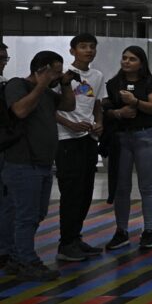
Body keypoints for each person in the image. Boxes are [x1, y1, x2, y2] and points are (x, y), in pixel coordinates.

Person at [2, 51, 76, 280]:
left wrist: (64, 85)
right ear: (41, 70)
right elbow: (20, 111)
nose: (57, 75)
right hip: (23, 163)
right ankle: (25, 260)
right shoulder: (18, 85)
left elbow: (69, 105)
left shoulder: (47, 94)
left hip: (42, 165)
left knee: (37, 214)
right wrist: (40, 84)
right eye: (55, 71)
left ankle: (16, 256)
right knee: (25, 216)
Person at [103, 46, 152, 251]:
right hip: (121, 137)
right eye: (124, 58)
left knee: (147, 186)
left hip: (145, 135)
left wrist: (135, 102)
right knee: (122, 187)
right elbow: (106, 109)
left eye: (132, 59)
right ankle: (121, 231)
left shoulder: (151, 82)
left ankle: (148, 230)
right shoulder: (113, 83)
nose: (126, 62)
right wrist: (118, 112)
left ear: (141, 63)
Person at [53, 34, 105, 262]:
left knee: (85, 191)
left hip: (88, 139)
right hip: (66, 139)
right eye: (83, 47)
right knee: (71, 192)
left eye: (92, 47)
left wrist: (99, 123)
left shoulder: (97, 76)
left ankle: (75, 238)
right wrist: (71, 124)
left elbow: (97, 104)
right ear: (72, 50)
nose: (89, 51)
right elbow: (51, 109)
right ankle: (65, 244)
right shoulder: (61, 77)